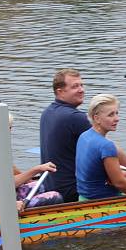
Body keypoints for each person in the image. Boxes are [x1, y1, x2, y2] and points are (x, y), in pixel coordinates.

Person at [76, 94, 126, 201]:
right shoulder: (106, 146)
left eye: (117, 113)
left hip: (83, 197)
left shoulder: (84, 136)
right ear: (97, 118)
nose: (117, 119)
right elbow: (119, 183)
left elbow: (100, 174)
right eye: (111, 115)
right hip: (103, 202)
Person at [39, 68, 90, 202]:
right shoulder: (76, 118)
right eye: (75, 87)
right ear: (60, 92)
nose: (81, 90)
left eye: (81, 85)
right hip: (71, 191)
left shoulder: (47, 112)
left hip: (50, 185)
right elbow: (107, 150)